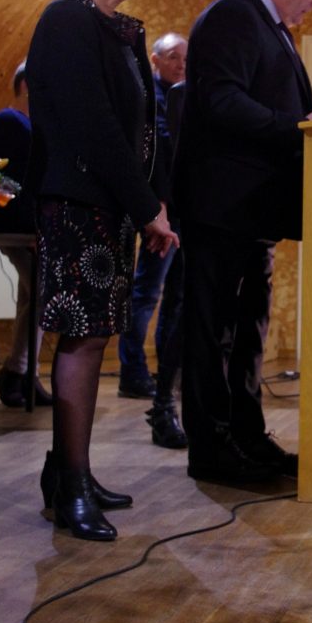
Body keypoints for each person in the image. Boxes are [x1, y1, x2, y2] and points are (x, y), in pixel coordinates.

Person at [26, 0, 179, 541]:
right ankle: (70, 487)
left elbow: (140, 129)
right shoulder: (66, 20)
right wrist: (147, 207)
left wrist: (145, 202)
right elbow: (94, 127)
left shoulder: (110, 27)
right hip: (77, 205)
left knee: (93, 339)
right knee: (83, 340)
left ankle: (72, 474)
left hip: (106, 206)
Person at [174, 0, 312, 483]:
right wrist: (297, 126)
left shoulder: (270, 26)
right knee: (214, 331)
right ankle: (212, 449)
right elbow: (221, 101)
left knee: (247, 331)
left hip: (253, 211)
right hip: (221, 205)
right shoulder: (232, 16)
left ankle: (246, 436)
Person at [117, 32, 188, 450]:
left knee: (175, 299)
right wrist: (156, 209)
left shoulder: (185, 96)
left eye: (185, 58)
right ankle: (132, 371)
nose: (181, 64)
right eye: (173, 57)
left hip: (183, 210)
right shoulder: (150, 98)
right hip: (158, 211)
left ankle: (165, 379)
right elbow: (155, 154)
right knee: (146, 292)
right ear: (156, 60)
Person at [0, 63, 51, 407]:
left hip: (25, 226)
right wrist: (29, 222)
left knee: (33, 292)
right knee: (41, 291)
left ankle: (23, 374)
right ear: (27, 85)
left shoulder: (28, 125)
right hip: (14, 227)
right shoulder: (9, 122)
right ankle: (18, 371)